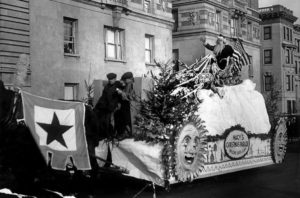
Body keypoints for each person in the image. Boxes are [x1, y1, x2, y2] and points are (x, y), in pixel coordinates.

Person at [93, 73, 121, 140]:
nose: (110, 81)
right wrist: (97, 105)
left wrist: (117, 104)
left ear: (115, 79)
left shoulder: (117, 86)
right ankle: (102, 134)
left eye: (112, 79)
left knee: (107, 120)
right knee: (97, 116)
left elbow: (119, 96)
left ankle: (109, 135)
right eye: (109, 79)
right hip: (104, 105)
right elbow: (103, 97)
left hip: (111, 106)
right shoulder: (107, 86)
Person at [115, 72, 135, 140]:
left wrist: (121, 93)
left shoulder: (131, 85)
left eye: (125, 79)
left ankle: (125, 133)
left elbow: (130, 97)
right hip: (124, 104)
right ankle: (120, 133)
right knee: (118, 115)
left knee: (124, 118)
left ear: (130, 79)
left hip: (128, 105)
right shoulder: (128, 84)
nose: (124, 81)